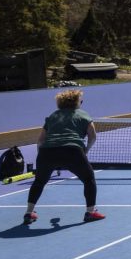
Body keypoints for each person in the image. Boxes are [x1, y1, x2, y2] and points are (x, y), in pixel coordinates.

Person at [23, 89, 103, 225]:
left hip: (46, 153)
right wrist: (86, 150)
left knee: (39, 181)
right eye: (81, 101)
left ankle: (29, 213)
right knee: (89, 179)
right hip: (72, 150)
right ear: (77, 102)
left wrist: (42, 158)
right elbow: (93, 135)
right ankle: (90, 212)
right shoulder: (83, 115)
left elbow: (40, 141)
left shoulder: (53, 116)